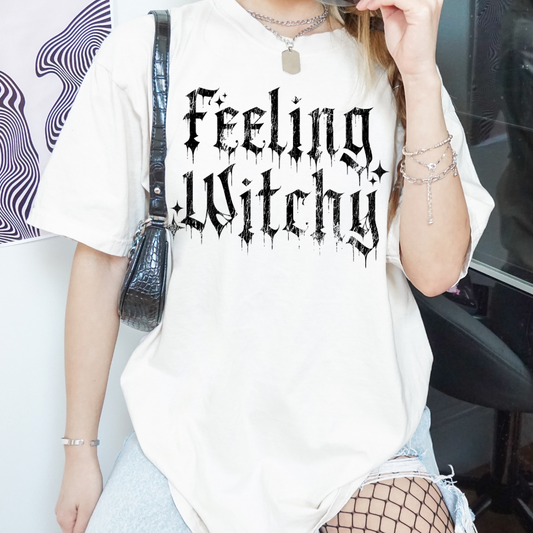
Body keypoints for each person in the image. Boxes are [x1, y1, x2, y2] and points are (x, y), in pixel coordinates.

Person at [27, 0, 495, 532]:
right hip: (188, 447)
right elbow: (101, 261)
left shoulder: (390, 59)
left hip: (364, 445)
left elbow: (436, 273)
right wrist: (79, 449)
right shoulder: (152, 50)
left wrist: (420, 75)